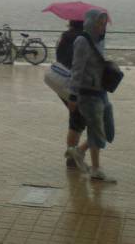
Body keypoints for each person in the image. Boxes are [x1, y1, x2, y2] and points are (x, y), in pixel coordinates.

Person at [68, 9, 116, 182]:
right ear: (90, 23)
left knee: (107, 129)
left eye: (104, 24)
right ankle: (96, 169)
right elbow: (77, 69)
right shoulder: (82, 41)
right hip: (87, 93)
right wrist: (73, 96)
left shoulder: (100, 40)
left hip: (101, 90)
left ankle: (79, 151)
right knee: (96, 129)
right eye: (99, 24)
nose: (102, 27)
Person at [48, 20, 88, 170]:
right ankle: (74, 156)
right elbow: (79, 64)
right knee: (79, 119)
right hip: (74, 84)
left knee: (76, 118)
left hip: (60, 80)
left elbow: (60, 57)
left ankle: (73, 156)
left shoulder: (64, 37)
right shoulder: (82, 39)